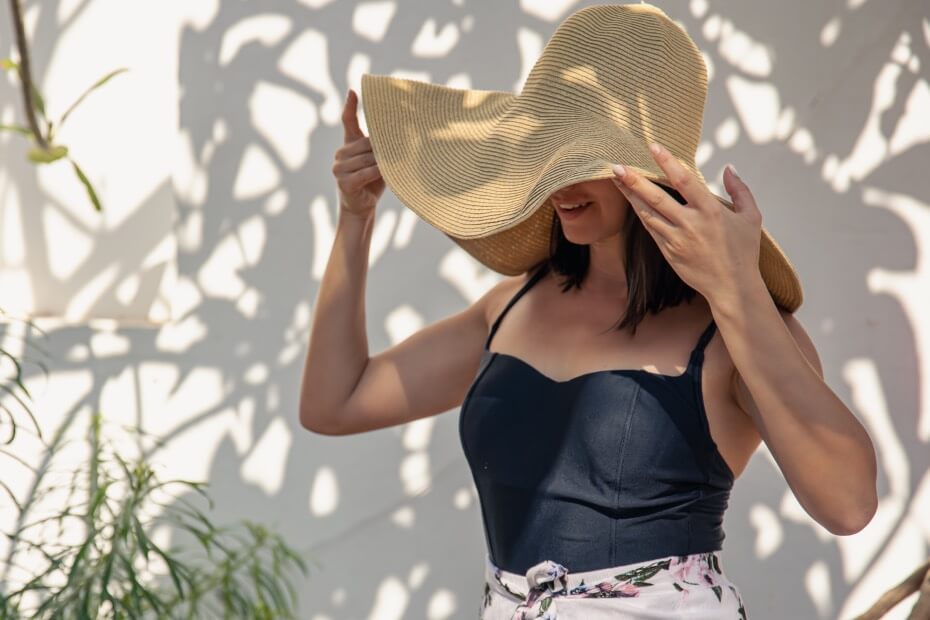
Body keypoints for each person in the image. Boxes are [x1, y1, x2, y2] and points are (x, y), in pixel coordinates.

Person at [300, 4, 878, 618]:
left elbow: (848, 506)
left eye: (587, 163)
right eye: (549, 155)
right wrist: (355, 219)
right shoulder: (513, 304)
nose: (561, 182)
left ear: (657, 174)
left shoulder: (730, 330)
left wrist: (737, 290)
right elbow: (336, 402)